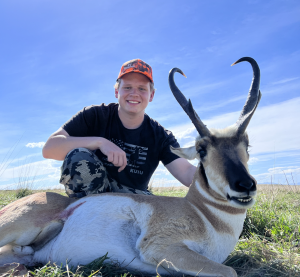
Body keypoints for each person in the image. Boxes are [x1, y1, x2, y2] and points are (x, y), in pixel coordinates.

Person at [43, 59, 196, 198]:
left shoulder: (160, 136)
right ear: (117, 91)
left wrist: (216, 171)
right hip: (91, 199)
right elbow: (49, 148)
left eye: (142, 89)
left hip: (133, 200)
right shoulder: (94, 115)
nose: (134, 94)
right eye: (127, 87)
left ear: (151, 95)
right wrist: (100, 142)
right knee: (78, 155)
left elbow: (187, 172)